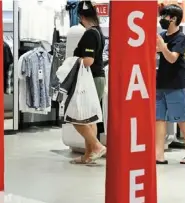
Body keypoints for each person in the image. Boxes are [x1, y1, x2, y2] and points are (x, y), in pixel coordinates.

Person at [70, 0, 106, 164]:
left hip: (90, 79)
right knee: (90, 118)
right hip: (96, 78)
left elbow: (89, 61)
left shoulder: (90, 34)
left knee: (77, 117)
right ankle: (88, 155)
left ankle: (97, 146)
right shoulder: (98, 32)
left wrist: (72, 62)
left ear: (81, 17)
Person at [156, 4, 185, 164]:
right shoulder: (162, 35)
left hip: (175, 84)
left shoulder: (180, 38)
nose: (162, 19)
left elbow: (172, 58)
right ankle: (159, 154)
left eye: (165, 16)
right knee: (159, 119)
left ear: (174, 19)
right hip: (160, 82)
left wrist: (162, 46)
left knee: (182, 119)